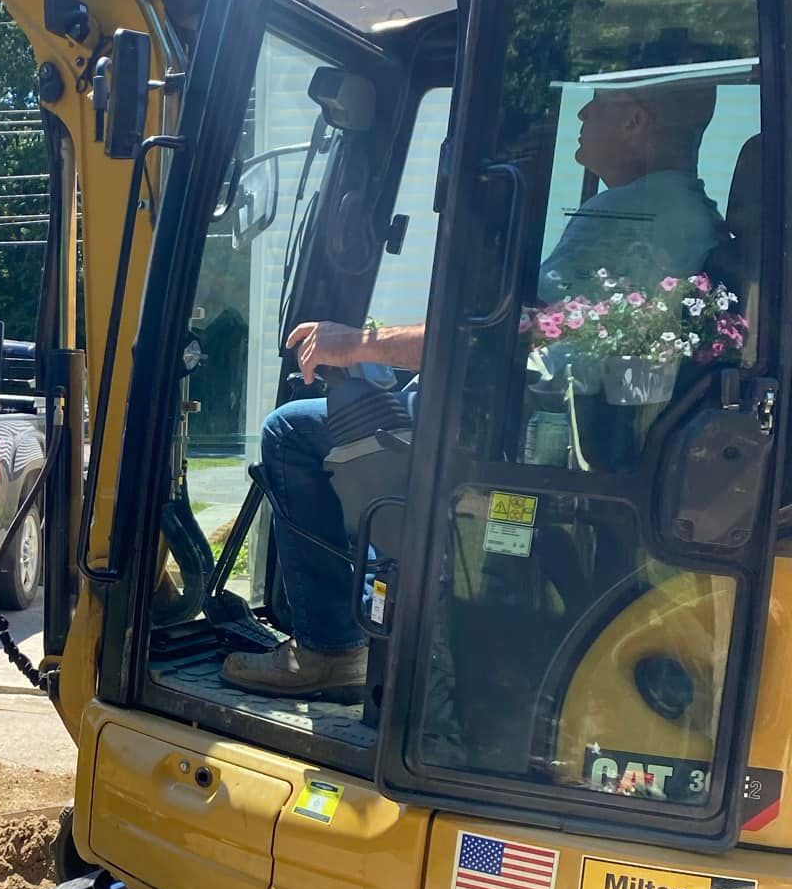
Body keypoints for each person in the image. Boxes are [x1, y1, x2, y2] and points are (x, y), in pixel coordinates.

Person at [222, 73, 727, 701]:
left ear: (637, 122)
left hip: (523, 439)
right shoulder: (688, 214)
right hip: (558, 420)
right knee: (362, 394)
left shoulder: (632, 214)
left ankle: (331, 648)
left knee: (291, 429)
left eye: (600, 104)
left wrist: (359, 342)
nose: (582, 115)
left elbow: (503, 333)